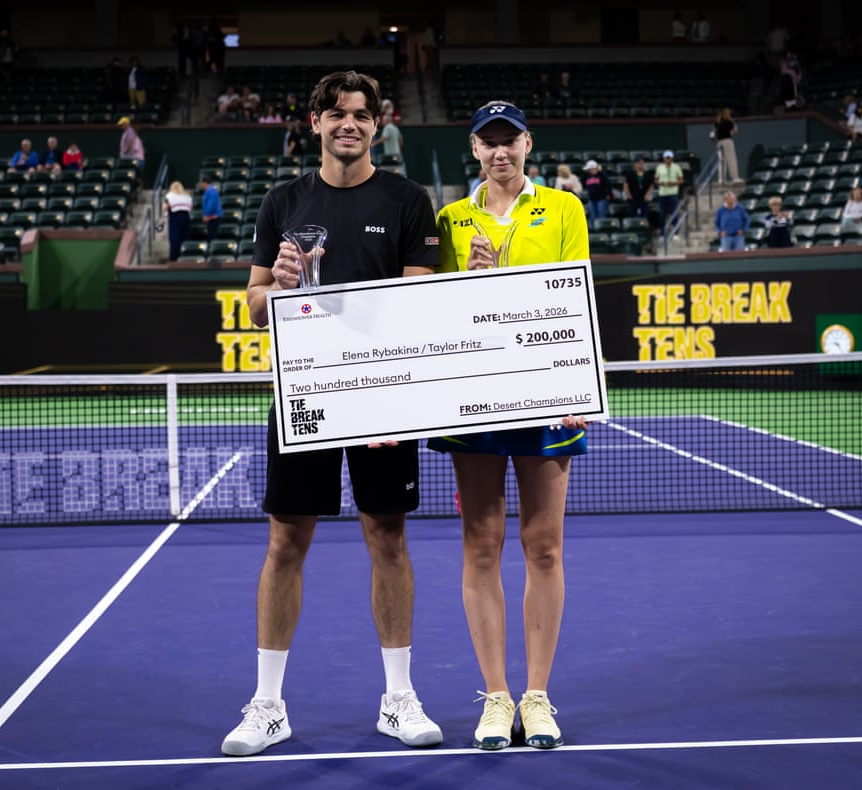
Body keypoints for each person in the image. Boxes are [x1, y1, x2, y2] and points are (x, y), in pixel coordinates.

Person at [222, 69, 443, 758]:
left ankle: (398, 698)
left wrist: (388, 392)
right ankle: (267, 705)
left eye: (362, 114)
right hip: (303, 397)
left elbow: (418, 304)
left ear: (378, 124)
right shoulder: (281, 201)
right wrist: (280, 287)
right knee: (286, 543)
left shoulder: (408, 200)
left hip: (381, 400)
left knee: (387, 539)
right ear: (315, 122)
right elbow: (255, 310)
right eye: (337, 113)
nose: (350, 123)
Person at [432, 99, 588, 751]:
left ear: (528, 144)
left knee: (544, 546)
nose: (499, 151)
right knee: (482, 544)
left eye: (509, 140)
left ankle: (539, 696)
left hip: (546, 394)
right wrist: (470, 284)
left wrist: (577, 379)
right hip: (475, 401)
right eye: (486, 141)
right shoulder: (448, 220)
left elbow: (572, 290)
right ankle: (497, 697)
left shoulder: (564, 209)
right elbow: (434, 315)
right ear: (473, 150)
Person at [162, 180, 192, 261]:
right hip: (186, 218)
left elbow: (165, 207)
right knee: (185, 239)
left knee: (175, 240)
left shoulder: (169, 196)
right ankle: (186, 258)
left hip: (175, 218)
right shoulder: (187, 196)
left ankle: (174, 260)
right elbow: (190, 208)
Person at [654, 150, 684, 230]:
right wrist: (660, 183)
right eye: (667, 158)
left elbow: (681, 180)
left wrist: (674, 183)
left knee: (674, 212)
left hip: (673, 193)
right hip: (662, 193)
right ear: (664, 158)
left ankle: (676, 231)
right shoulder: (659, 168)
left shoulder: (676, 167)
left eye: (669, 158)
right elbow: (656, 180)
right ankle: (662, 232)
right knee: (662, 214)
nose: (668, 160)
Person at [712, 108, 740, 184]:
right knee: (731, 159)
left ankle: (721, 179)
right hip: (727, 141)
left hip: (719, 142)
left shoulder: (717, 122)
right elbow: (735, 130)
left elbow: (714, 132)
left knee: (721, 161)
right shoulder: (728, 121)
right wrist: (733, 122)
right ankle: (735, 178)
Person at [198, 174, 222, 243]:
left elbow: (212, 204)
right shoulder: (210, 190)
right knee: (211, 236)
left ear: (205, 183)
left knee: (212, 237)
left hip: (213, 217)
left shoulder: (211, 190)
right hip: (212, 217)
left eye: (201, 183)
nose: (201, 185)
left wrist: (207, 215)